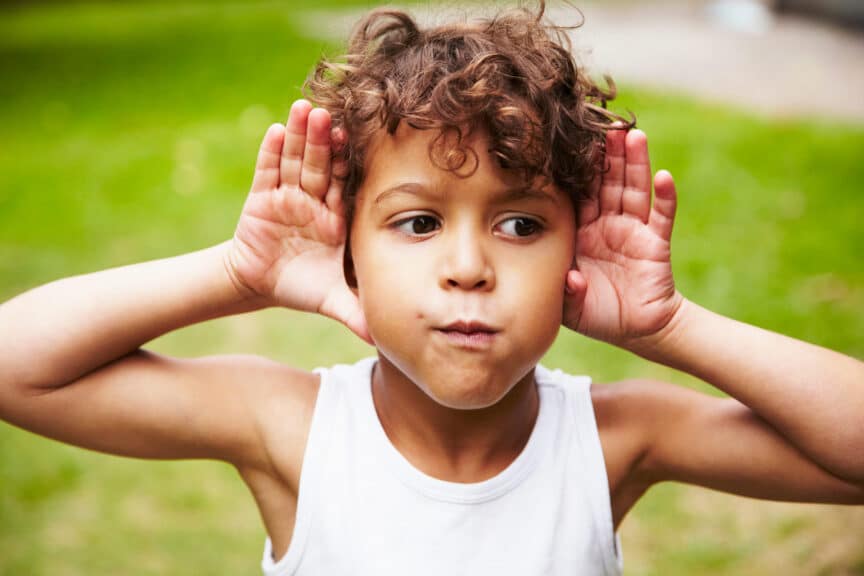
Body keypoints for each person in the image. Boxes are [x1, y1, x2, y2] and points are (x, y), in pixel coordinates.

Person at [0, 2, 861, 575]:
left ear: (576, 247)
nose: (468, 267)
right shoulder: (293, 429)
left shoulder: (614, 438)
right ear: (347, 250)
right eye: (417, 223)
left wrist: (669, 326)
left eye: (520, 223)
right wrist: (237, 274)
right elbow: (16, 366)